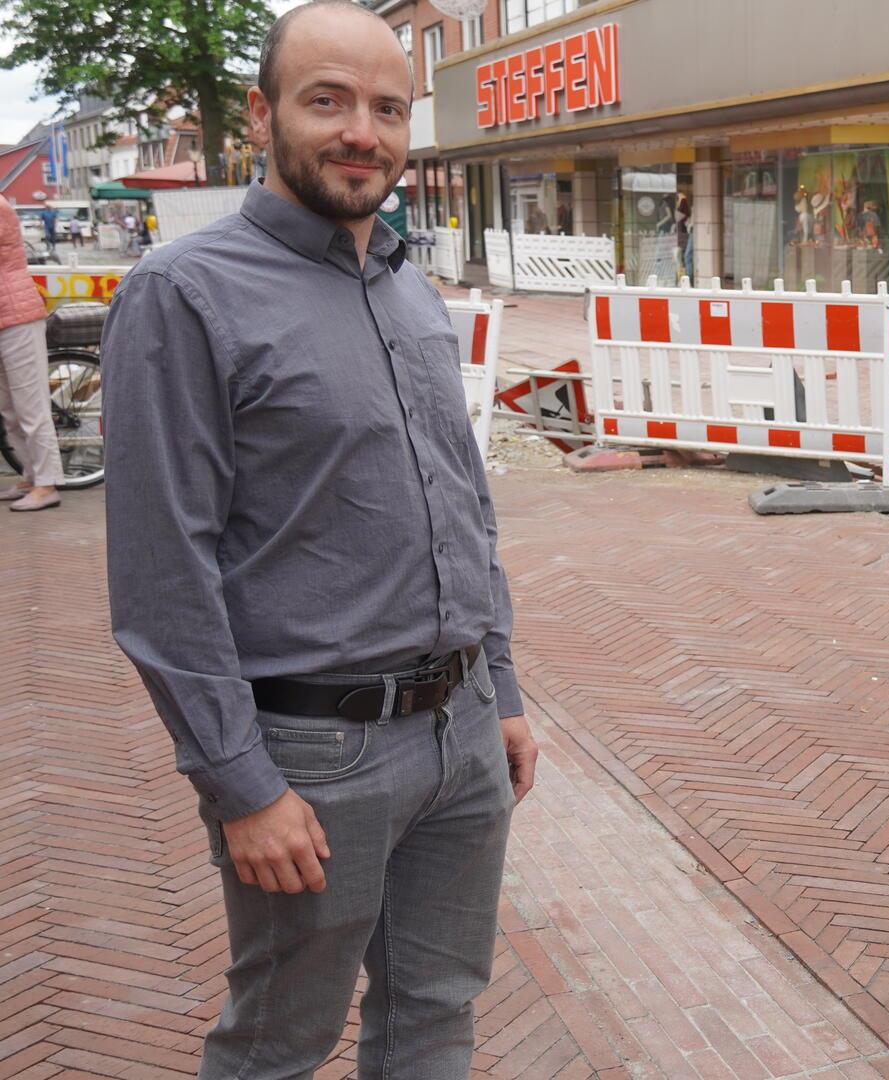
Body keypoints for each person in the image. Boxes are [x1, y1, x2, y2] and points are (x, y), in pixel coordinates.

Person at [100, 3, 537, 1076]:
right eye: (328, 100)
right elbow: (164, 574)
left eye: (388, 109)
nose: (363, 132)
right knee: (278, 1042)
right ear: (262, 114)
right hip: (314, 756)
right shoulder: (184, 295)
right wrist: (239, 782)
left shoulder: (407, 286)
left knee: (437, 1010)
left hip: (464, 731)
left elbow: (464, 504)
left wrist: (506, 690)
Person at [0, 193, 61, 511]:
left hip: (17, 315)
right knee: (10, 410)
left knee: (30, 405)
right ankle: (30, 475)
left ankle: (47, 484)